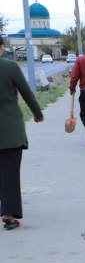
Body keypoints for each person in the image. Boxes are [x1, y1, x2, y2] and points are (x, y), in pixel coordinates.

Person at [0, 35, 45, 230]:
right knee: (9, 173)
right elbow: (26, 92)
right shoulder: (10, 67)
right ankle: (8, 214)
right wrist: (38, 114)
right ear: (1, 48)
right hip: (10, 130)